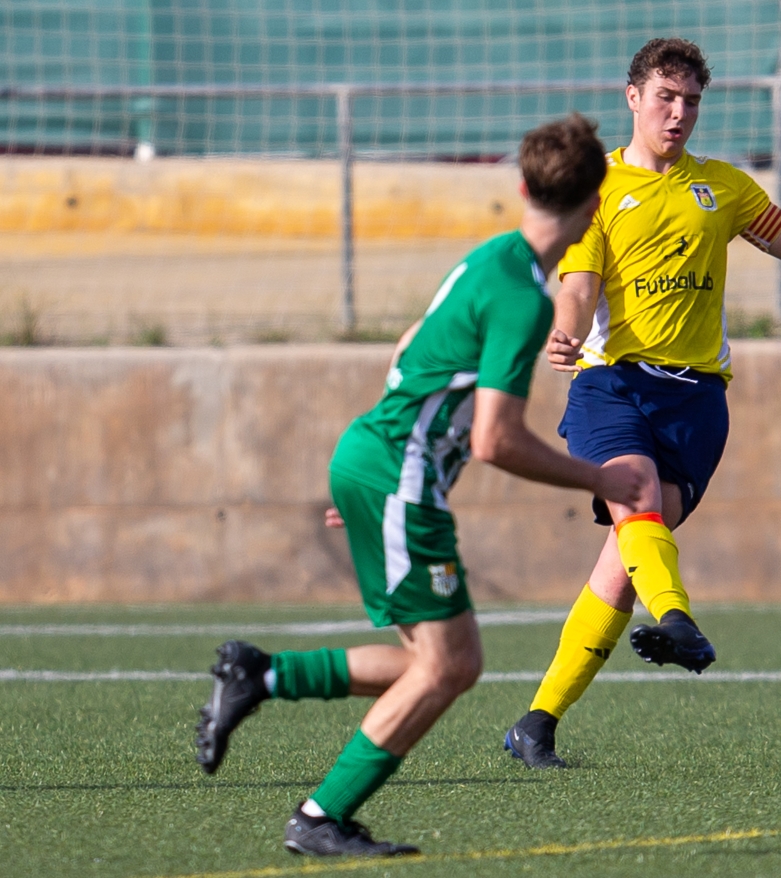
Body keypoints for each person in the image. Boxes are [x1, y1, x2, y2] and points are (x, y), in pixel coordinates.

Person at [193, 113, 646, 857]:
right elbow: (493, 439)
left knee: (430, 662)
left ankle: (261, 674)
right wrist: (601, 478)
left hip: (378, 460)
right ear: (596, 200)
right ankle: (319, 818)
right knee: (452, 664)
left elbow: (410, 350)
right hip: (393, 474)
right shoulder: (525, 300)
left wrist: (380, 485)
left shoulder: (487, 259)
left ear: (524, 186)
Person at [503, 38, 781, 769]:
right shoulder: (596, 191)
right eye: (666, 96)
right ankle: (681, 621)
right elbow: (577, 286)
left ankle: (536, 724)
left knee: (622, 562)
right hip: (614, 384)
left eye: (692, 100)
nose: (680, 113)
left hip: (698, 402)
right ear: (632, 97)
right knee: (636, 501)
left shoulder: (722, 188)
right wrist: (565, 336)